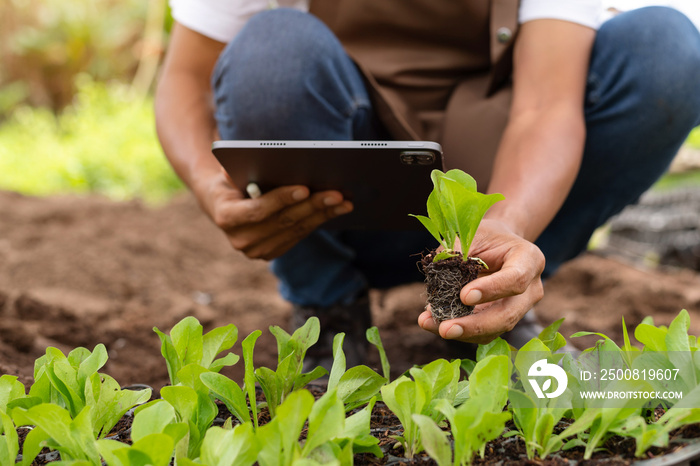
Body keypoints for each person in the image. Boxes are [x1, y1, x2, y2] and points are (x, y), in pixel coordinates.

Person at [155, 0, 700, 368]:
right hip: (341, 200)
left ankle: (486, 297)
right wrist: (210, 186)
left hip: (492, 186)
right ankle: (327, 310)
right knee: (270, 50)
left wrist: (505, 227)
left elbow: (545, 108)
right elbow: (185, 75)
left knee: (666, 50)